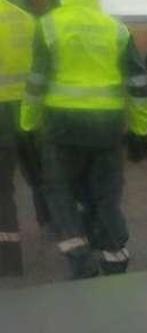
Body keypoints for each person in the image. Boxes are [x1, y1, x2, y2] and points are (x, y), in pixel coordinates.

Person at [20, 0, 147, 279]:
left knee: (60, 192)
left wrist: (28, 125)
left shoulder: (49, 25)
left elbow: (36, 82)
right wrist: (141, 131)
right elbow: (138, 82)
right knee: (106, 194)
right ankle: (114, 256)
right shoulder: (116, 29)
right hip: (107, 127)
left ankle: (81, 261)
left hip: (62, 126)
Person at [0, 0, 41, 277]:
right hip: (28, 108)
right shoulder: (26, 19)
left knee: (2, 188)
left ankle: (9, 260)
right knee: (42, 174)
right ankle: (66, 232)